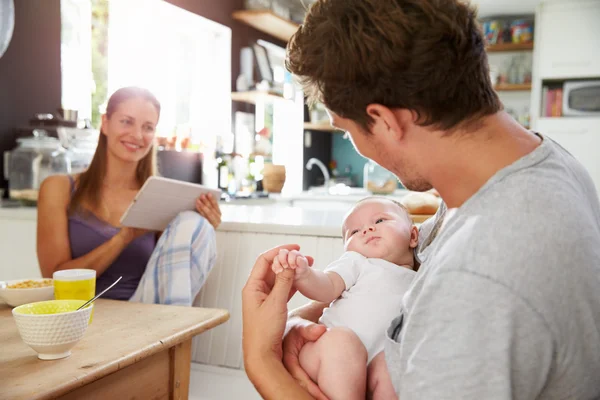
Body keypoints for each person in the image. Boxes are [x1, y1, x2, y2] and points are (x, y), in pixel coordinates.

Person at [242, 0, 600, 399]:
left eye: (346, 131)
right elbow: (397, 279)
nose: (355, 146)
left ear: (383, 121)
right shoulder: (529, 168)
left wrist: (261, 360)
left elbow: (461, 286)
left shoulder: (484, 272)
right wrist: (297, 324)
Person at [37, 86, 222, 306]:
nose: (136, 135)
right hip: (78, 314)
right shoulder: (59, 187)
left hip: (142, 314)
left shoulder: (157, 198)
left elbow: (172, 276)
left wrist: (204, 224)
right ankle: (172, 335)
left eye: (147, 127)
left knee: (194, 224)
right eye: (126, 121)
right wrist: (123, 238)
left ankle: (171, 333)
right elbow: (53, 279)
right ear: (105, 123)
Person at [271, 197, 417, 400]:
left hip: (375, 362)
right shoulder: (357, 262)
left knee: (393, 364)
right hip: (327, 353)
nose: (367, 230)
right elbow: (327, 286)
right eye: (355, 232)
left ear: (413, 235)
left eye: (380, 221)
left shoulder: (422, 280)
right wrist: (305, 275)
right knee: (344, 342)